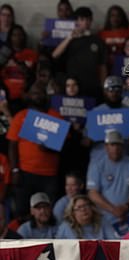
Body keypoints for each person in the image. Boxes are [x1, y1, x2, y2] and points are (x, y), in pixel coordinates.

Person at [7, 84, 62, 219]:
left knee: (50, 214)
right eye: (34, 93)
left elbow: (64, 145)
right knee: (22, 211)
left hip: (49, 174)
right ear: (29, 96)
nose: (37, 96)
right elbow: (12, 146)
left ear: (46, 95)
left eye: (40, 93)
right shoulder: (21, 116)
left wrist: (49, 147)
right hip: (25, 172)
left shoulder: (56, 116)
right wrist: (15, 170)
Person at [52, 7, 106, 99]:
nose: (85, 22)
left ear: (91, 21)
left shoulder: (98, 41)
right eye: (81, 19)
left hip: (92, 85)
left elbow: (102, 66)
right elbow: (55, 55)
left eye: (87, 19)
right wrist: (70, 37)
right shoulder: (70, 40)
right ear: (76, 21)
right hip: (73, 86)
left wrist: (103, 85)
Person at [86, 130, 129, 231]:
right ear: (106, 147)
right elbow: (92, 193)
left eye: (118, 145)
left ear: (123, 146)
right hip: (105, 219)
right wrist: (113, 210)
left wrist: (126, 207)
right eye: (112, 145)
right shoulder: (97, 165)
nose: (115, 148)